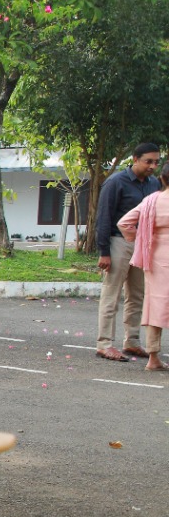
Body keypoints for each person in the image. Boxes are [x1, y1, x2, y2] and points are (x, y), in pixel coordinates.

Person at [94, 143, 159, 362]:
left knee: (137, 294)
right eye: (148, 161)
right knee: (112, 293)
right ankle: (105, 343)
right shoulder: (116, 182)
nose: (152, 166)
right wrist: (104, 251)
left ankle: (132, 341)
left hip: (143, 244)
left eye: (156, 162)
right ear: (135, 159)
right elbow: (103, 217)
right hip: (118, 242)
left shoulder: (153, 184)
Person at [118, 161, 169, 371]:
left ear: (163, 179)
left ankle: (153, 358)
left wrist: (142, 238)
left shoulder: (151, 201)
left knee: (155, 305)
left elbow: (124, 223)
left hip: (156, 256)